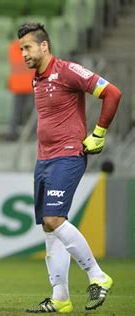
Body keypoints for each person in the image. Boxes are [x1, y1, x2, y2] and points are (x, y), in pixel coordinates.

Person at [15, 23, 122, 313]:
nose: (23, 53)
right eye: (21, 48)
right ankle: (60, 296)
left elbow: (112, 93)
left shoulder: (68, 71)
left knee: (54, 218)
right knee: (50, 229)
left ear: (44, 46)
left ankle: (98, 276)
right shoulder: (37, 79)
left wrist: (99, 133)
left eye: (27, 47)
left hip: (67, 155)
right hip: (44, 159)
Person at [7, 38, 34, 141]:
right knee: (33, 112)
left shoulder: (13, 47)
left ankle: (13, 134)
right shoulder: (32, 47)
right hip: (29, 85)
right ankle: (35, 134)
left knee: (17, 112)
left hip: (18, 85)